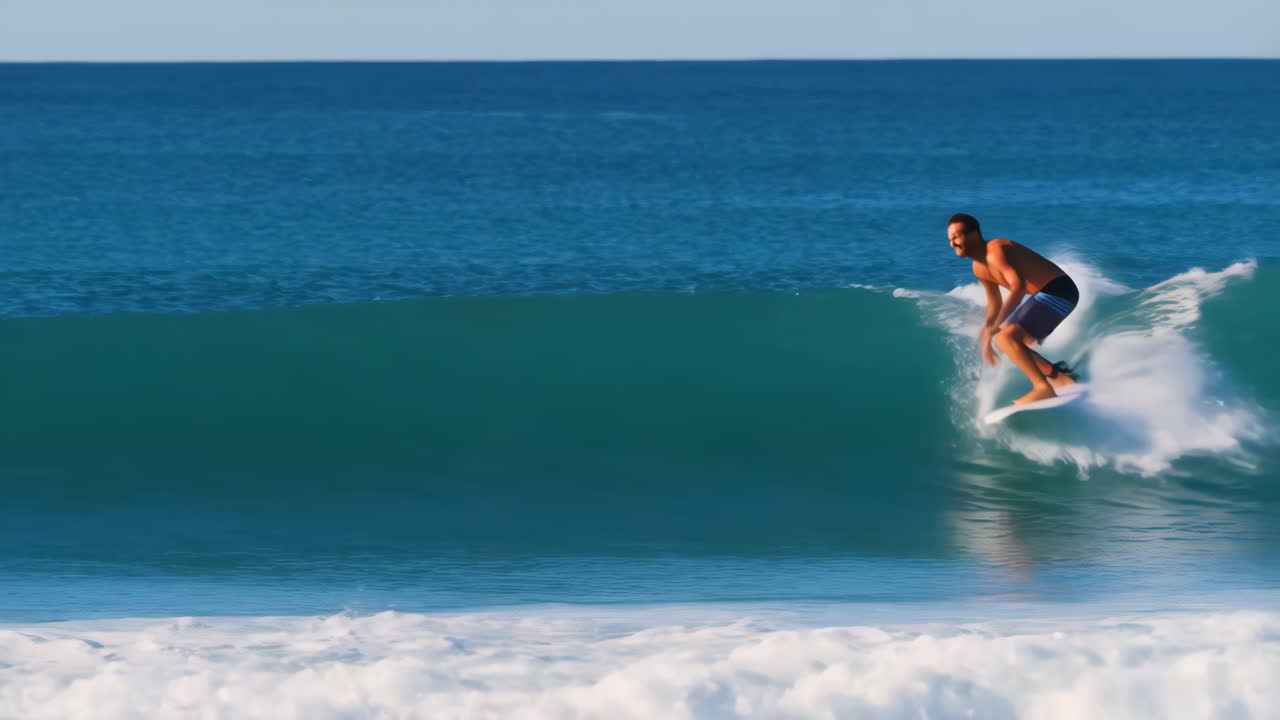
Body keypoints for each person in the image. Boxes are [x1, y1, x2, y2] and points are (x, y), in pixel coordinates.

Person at [947, 213, 1079, 405]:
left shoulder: (996, 249)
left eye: (957, 237)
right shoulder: (979, 268)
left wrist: (998, 325)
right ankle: (1058, 376)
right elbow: (995, 302)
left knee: (1006, 336)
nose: (952, 243)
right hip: (1046, 295)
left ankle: (1043, 388)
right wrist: (986, 335)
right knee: (1006, 341)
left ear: (974, 234)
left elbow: (1018, 287)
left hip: (1059, 291)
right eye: (950, 239)